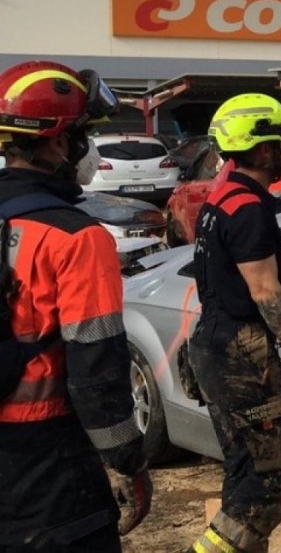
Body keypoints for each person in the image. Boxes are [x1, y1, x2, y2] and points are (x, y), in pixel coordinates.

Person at [0, 61, 151, 550]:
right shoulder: (78, 238)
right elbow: (96, 369)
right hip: (48, 458)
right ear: (60, 143)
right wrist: (127, 461)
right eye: (85, 135)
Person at [189, 93, 281, 553]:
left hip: (214, 344)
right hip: (242, 353)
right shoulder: (249, 208)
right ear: (261, 150)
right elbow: (265, 291)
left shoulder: (223, 195)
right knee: (274, 480)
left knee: (245, 472)